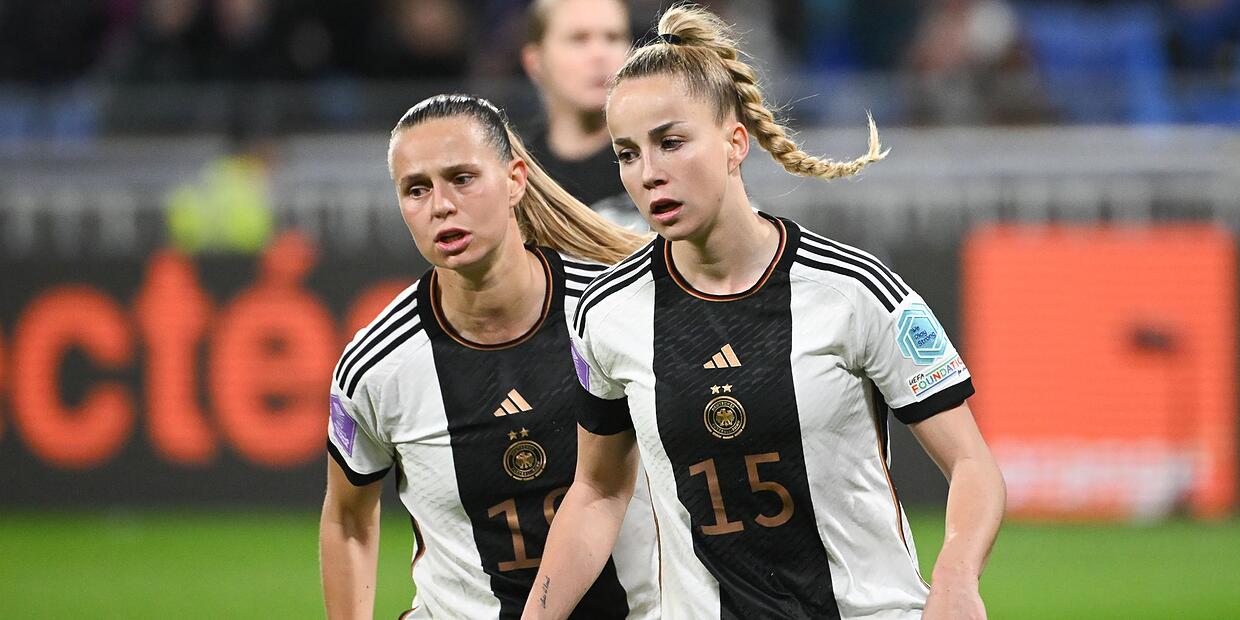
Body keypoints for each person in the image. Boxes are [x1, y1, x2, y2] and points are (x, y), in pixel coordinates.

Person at [522, 5, 1006, 620]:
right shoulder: (607, 313)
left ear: (734, 143)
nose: (649, 174)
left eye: (671, 143)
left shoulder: (854, 290)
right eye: (627, 153)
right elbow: (596, 489)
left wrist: (957, 576)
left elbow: (971, 463)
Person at [320, 94, 659, 620]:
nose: (440, 205)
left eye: (462, 178)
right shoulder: (377, 365)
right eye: (416, 189)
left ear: (515, 180)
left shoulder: (617, 314)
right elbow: (347, 520)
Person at [520, 0, 641, 227]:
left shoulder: (659, 158)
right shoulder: (515, 171)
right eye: (578, 39)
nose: (599, 54)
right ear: (535, 63)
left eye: (613, 38)